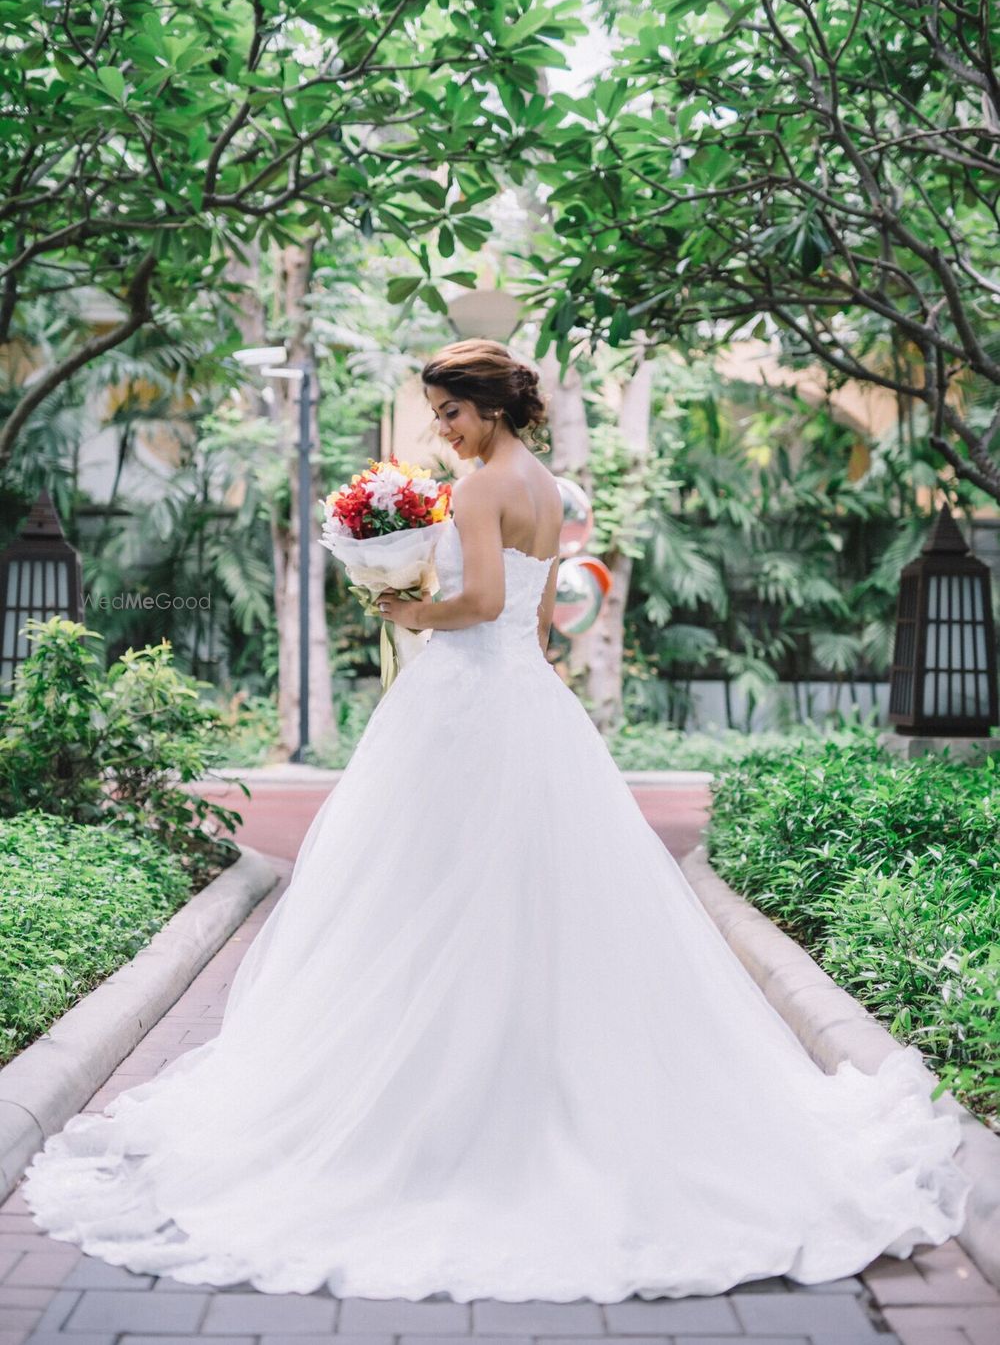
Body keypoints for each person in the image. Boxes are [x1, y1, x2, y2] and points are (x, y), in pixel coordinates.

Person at [19, 338, 970, 1303]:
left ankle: (448, 1113)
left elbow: (475, 601)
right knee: (522, 895)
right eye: (436, 411)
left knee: (427, 892)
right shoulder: (546, 485)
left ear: (489, 406)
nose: (441, 427)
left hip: (467, 703)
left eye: (449, 411)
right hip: (529, 698)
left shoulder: (476, 491)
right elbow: (544, 616)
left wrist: (402, 609)